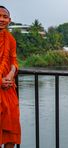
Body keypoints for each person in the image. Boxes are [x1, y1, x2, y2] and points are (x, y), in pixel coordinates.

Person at [0, 6, 21, 148]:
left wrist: (11, 74)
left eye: (5, 17)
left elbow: (14, 60)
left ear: (9, 20)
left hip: (8, 89)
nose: (1, 19)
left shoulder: (10, 39)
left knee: (12, 127)